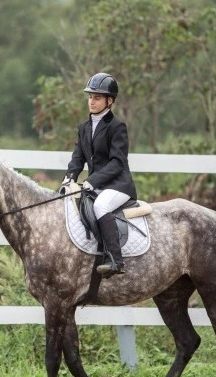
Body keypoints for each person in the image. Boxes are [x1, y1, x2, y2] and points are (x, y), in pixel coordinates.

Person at [60, 72, 137, 278]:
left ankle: (115, 260)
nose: (91, 102)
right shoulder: (84, 127)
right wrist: (69, 178)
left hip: (117, 185)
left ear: (109, 101)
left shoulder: (117, 126)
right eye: (90, 97)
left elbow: (117, 162)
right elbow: (78, 158)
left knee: (100, 206)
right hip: (96, 186)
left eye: (97, 97)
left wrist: (91, 181)